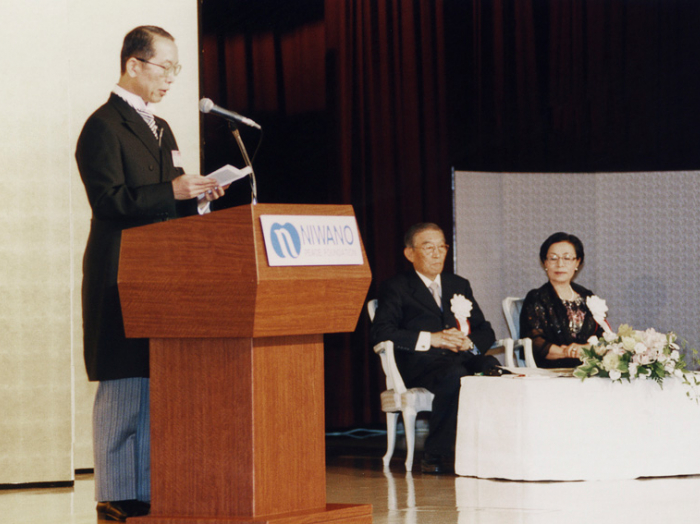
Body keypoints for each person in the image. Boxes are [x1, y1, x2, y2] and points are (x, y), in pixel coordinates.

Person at [75, 26, 225, 521]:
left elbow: (167, 201)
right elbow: (109, 201)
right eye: (166, 67)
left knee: (151, 383)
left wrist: (197, 198)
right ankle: (114, 495)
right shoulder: (103, 126)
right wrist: (173, 192)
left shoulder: (162, 128)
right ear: (133, 65)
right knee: (123, 383)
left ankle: (145, 491)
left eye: (176, 69)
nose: (171, 78)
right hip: (118, 272)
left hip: (158, 273)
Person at [371, 223, 499, 474]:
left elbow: (485, 329)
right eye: (429, 248)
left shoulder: (458, 284)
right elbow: (382, 332)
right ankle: (435, 453)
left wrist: (470, 343)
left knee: (491, 367)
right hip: (421, 364)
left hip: (460, 357)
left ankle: (489, 450)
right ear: (410, 253)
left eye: (442, 247)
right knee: (455, 376)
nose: (437, 254)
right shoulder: (396, 287)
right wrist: (432, 339)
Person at [519, 232, 605, 368]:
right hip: (552, 370)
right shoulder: (536, 297)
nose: (560, 264)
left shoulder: (587, 296)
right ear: (545, 262)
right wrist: (566, 352)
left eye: (567, 258)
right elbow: (534, 342)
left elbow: (603, 337)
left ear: (577, 262)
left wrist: (586, 349)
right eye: (553, 258)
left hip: (589, 368)